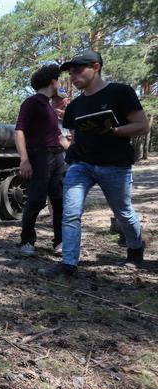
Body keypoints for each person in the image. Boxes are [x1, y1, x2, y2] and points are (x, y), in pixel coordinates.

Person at [42, 50, 150, 278]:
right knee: (70, 213)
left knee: (123, 212)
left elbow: (142, 126)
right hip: (81, 165)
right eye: (70, 73)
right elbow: (76, 138)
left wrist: (114, 131)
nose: (73, 76)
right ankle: (69, 264)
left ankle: (135, 247)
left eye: (78, 70)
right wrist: (70, 160)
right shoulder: (74, 106)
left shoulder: (121, 93)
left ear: (96, 67)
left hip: (115, 164)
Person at [14, 64, 70, 257]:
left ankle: (60, 241)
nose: (61, 84)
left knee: (59, 201)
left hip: (57, 158)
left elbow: (58, 137)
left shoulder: (48, 106)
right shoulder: (32, 103)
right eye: (59, 80)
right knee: (36, 201)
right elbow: (19, 130)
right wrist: (24, 159)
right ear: (53, 82)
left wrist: (74, 154)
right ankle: (27, 241)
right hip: (40, 157)